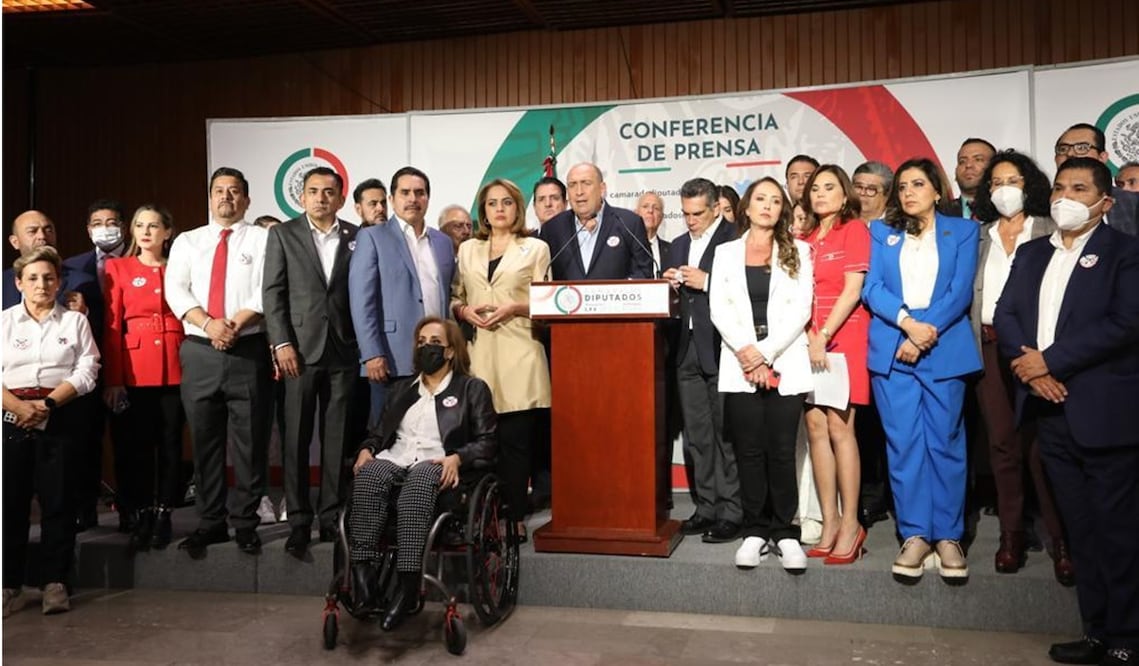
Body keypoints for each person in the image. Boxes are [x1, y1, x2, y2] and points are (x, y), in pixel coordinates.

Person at [995, 157, 1139, 666]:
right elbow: (1006, 313)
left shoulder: (1125, 252)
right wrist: (1033, 371)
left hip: (1103, 411)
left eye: (1079, 188)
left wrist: (1049, 362)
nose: (1065, 197)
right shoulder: (1033, 253)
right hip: (1048, 413)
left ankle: (1127, 637)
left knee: (1117, 531)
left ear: (1106, 201)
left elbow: (1124, 323)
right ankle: (1095, 631)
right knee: (1079, 528)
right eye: (1059, 187)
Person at [862, 157, 981, 583]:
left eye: (918, 184)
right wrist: (908, 326)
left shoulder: (964, 231)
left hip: (942, 351)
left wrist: (924, 333)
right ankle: (914, 534)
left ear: (936, 190)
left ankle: (948, 535)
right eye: (903, 186)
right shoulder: (882, 232)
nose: (908, 192)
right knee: (904, 444)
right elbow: (872, 287)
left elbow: (959, 290)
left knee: (945, 442)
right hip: (895, 351)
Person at [348, 317, 496, 631]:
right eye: (421, 340)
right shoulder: (401, 389)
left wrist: (458, 457)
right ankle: (363, 579)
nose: (425, 347)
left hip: (437, 464)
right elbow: (379, 433)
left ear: (450, 351)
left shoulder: (471, 388)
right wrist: (366, 449)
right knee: (369, 475)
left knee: (419, 481)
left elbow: (488, 443)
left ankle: (408, 586)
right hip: (396, 458)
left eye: (434, 342)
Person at [968, 150, 1069, 582]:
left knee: (1043, 446)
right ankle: (1011, 534)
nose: (1003, 188)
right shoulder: (979, 235)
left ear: (1028, 184)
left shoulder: (1049, 229)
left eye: (1011, 180)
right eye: (995, 182)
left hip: (1036, 351)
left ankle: (1062, 539)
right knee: (1003, 444)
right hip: (989, 348)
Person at [165, 167, 273, 557]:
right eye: (218, 191)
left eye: (234, 191)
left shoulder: (264, 239)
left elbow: (268, 290)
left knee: (250, 442)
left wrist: (234, 324)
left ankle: (245, 522)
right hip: (199, 351)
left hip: (247, 349)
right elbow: (175, 289)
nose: (226, 197)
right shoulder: (187, 242)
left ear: (246, 199)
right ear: (209, 198)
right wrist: (209, 324)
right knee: (206, 442)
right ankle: (210, 522)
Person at [709, 177, 814, 572]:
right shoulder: (725, 253)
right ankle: (754, 530)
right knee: (749, 451)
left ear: (782, 209)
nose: (767, 206)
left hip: (784, 360)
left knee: (782, 451)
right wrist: (748, 355)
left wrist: (765, 355)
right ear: (746, 209)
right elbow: (719, 308)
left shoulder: (799, 251)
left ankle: (785, 532)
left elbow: (801, 309)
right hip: (740, 364)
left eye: (775, 200)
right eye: (760, 199)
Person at [264, 167, 360, 556]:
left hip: (343, 349)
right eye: (314, 191)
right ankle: (299, 520)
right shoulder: (282, 235)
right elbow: (273, 294)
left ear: (340, 198)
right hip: (298, 352)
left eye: (329, 192)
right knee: (296, 438)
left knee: (337, 442)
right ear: (301, 197)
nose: (321, 198)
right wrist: (281, 342)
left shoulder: (357, 236)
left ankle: (331, 519)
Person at [3, 246, 100, 616]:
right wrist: (16, 407)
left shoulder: (74, 322)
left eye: (48, 277)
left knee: (58, 503)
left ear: (59, 282)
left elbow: (88, 369)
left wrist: (49, 405)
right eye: (33, 278)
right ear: (18, 283)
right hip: (12, 417)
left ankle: (55, 582)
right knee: (10, 504)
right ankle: (9, 584)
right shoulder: (5, 322)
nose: (41, 284)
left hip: (60, 415)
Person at [452, 178, 550, 538]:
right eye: (492, 203)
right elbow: (454, 296)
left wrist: (515, 306)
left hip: (520, 352)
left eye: (506, 202)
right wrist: (463, 311)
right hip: (479, 356)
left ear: (517, 207)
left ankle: (514, 517)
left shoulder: (536, 247)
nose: (499, 209)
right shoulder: (467, 250)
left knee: (515, 443)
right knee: (481, 443)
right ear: (483, 211)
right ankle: (482, 514)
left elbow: (548, 302)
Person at [102, 205, 186, 551]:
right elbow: (111, 327)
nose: (146, 231)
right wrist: (114, 378)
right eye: (140, 225)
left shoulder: (181, 267)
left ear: (168, 232)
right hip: (135, 367)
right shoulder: (118, 267)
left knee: (171, 445)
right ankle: (139, 513)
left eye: (154, 225)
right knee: (137, 448)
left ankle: (165, 511)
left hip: (177, 363)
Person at [799, 165, 871, 565]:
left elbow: (853, 289)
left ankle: (850, 525)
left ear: (845, 195)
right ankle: (828, 522)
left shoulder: (854, 230)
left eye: (829, 187)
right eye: (815, 188)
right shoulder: (804, 237)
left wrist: (823, 335)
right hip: (809, 340)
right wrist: (810, 337)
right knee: (815, 426)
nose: (821, 194)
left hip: (842, 337)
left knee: (841, 427)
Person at [663, 178, 741, 543]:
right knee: (697, 436)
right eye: (685, 213)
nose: (690, 220)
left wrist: (707, 281)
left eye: (697, 213)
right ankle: (706, 506)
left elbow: (748, 289)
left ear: (715, 208)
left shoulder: (735, 238)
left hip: (722, 346)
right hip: (685, 346)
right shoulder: (677, 244)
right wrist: (667, 283)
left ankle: (732, 511)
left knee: (726, 434)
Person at [349, 166, 457, 428]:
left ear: (428, 199)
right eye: (405, 192)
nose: (413, 199)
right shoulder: (372, 237)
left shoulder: (442, 241)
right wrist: (371, 354)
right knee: (386, 434)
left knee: (431, 433)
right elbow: (362, 302)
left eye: (419, 193)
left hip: (437, 358)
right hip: (391, 357)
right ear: (392, 199)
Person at [539, 162, 653, 280]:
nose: (579, 192)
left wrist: (618, 292)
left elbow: (644, 272)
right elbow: (542, 276)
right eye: (572, 185)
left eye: (586, 183)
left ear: (602, 189)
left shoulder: (629, 223)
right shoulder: (552, 229)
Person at [1054, 122, 1138, 235]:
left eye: (1082, 148)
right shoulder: (1039, 205)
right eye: (1063, 149)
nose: (1070, 153)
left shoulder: (1131, 202)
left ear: (1102, 157)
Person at [948, 138, 996, 219]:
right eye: (962, 161)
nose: (968, 165)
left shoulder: (1004, 210)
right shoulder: (938, 213)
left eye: (978, 159)